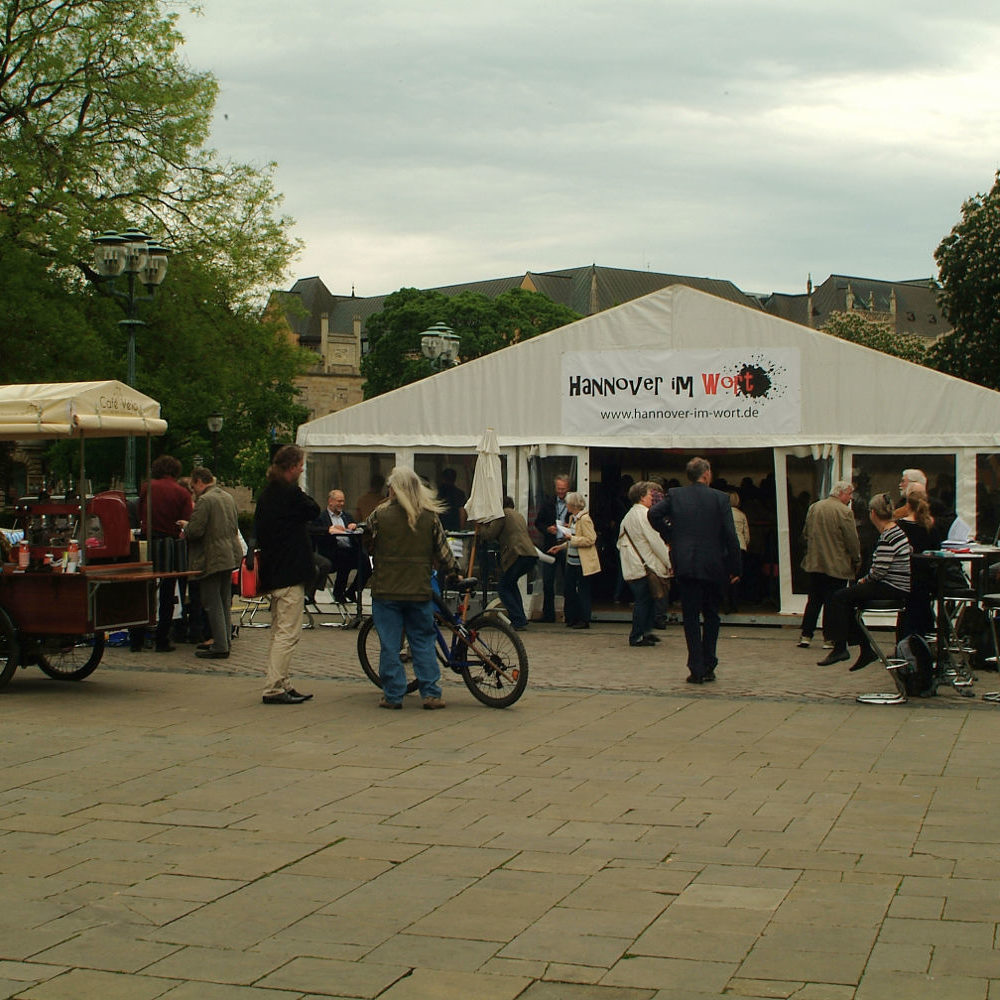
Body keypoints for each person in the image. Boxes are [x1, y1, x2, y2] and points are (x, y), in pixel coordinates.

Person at [362, 466, 462, 710]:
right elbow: (444, 552)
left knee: (390, 643)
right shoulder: (429, 516)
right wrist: (454, 573)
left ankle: (393, 695)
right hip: (419, 588)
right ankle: (431, 694)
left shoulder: (378, 515)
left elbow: (368, 545)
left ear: (393, 489)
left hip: (387, 589)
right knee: (423, 641)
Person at [649, 457, 741, 684]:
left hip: (687, 562)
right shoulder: (720, 498)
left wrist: (671, 535)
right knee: (711, 614)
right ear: (707, 473)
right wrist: (735, 566)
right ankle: (709, 662)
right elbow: (730, 535)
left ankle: (696, 666)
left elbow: (653, 514)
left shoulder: (677, 495)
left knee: (690, 616)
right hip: (713, 564)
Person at [254, 445, 320, 705]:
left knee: (278, 629)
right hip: (289, 572)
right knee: (288, 632)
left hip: (274, 570)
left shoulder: (267, 494)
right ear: (292, 467)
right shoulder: (289, 493)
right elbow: (313, 509)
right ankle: (273, 687)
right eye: (300, 464)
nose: (303, 468)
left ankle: (282, 680)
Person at [817, 493, 912, 671]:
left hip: (891, 587)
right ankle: (861, 648)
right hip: (895, 585)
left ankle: (842, 647)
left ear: (873, 513)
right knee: (847, 601)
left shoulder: (888, 535)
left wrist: (863, 581)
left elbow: (879, 571)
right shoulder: (896, 531)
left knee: (838, 597)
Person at [130, 455, 193, 653]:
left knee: (144, 591)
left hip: (148, 542)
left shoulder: (147, 488)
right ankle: (162, 639)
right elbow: (185, 521)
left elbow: (140, 513)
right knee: (167, 592)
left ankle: (137, 639)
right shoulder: (182, 493)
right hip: (169, 544)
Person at [179, 468, 242, 660]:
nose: (193, 491)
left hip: (211, 557)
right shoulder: (227, 497)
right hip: (229, 554)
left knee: (212, 602)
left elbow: (196, 530)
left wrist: (185, 526)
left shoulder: (205, 500)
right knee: (223, 601)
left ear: (199, 482)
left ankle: (221, 645)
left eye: (193, 486)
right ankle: (225, 641)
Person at [797, 481, 861, 649]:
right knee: (832, 602)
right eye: (849, 494)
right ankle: (829, 638)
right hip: (837, 564)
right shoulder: (845, 512)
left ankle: (806, 634)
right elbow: (851, 539)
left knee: (814, 600)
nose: (851, 498)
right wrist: (856, 558)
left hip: (815, 562)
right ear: (841, 493)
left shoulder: (814, 507)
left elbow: (806, 533)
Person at [617, 481, 672, 648]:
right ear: (641, 497)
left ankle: (645, 631)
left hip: (635, 565)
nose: (652, 498)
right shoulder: (644, 515)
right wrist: (670, 562)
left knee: (646, 600)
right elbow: (656, 541)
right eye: (650, 495)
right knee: (644, 600)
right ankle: (637, 635)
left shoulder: (630, 515)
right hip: (643, 566)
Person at [476, 496, 537, 631]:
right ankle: (520, 618)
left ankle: (518, 620)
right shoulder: (518, 515)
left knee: (503, 587)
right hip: (529, 553)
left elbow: (489, 534)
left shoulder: (502, 514)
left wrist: (481, 526)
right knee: (511, 584)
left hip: (517, 554)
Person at [549, 491, 600, 629]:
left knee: (582, 590)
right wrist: (560, 547)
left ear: (573, 505)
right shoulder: (573, 518)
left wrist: (572, 538)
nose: (566, 506)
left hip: (582, 562)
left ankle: (584, 619)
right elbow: (573, 538)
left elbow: (591, 539)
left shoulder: (585, 519)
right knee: (569, 589)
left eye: (568, 504)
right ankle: (571, 617)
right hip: (571, 560)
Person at [896, 487, 939, 640]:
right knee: (921, 606)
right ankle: (922, 641)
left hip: (903, 577)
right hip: (924, 580)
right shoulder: (930, 526)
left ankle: (902, 645)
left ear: (907, 505)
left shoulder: (899, 526)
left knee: (905, 612)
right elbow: (936, 551)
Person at [311, 488, 364, 603]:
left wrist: (355, 526)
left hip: (349, 549)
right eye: (339, 501)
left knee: (365, 562)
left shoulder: (347, 516)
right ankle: (338, 592)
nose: (342, 504)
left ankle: (352, 590)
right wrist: (330, 530)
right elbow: (315, 531)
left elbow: (357, 529)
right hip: (331, 551)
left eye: (343, 501)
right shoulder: (321, 517)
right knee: (344, 559)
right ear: (330, 501)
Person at [535, 473, 571, 622]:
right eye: (558, 488)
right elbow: (538, 522)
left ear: (568, 488)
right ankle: (548, 614)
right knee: (548, 582)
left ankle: (569, 614)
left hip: (565, 545)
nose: (560, 492)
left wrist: (570, 527)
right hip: (550, 545)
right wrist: (547, 529)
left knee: (568, 581)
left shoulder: (572, 503)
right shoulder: (548, 503)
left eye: (563, 489)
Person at [726, 488, 750, 614]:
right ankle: (734, 603)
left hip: (726, 548)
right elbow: (747, 536)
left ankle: (725, 603)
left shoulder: (723, 514)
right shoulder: (742, 515)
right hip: (740, 547)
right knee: (736, 576)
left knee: (725, 576)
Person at [436, 468, 467, 532]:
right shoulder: (459, 493)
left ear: (443, 478)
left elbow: (435, 512)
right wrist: (461, 529)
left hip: (442, 527)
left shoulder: (439, 493)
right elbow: (462, 512)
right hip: (455, 528)